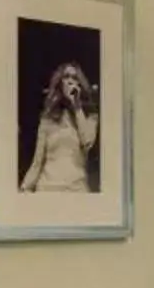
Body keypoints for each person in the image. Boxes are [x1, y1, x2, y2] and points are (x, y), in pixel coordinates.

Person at [22, 62, 100, 193]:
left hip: (76, 189)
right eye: (66, 77)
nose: (70, 81)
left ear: (80, 84)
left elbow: (88, 142)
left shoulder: (89, 116)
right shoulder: (48, 118)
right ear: (60, 83)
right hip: (47, 189)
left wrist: (77, 107)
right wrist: (25, 187)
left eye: (75, 78)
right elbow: (37, 161)